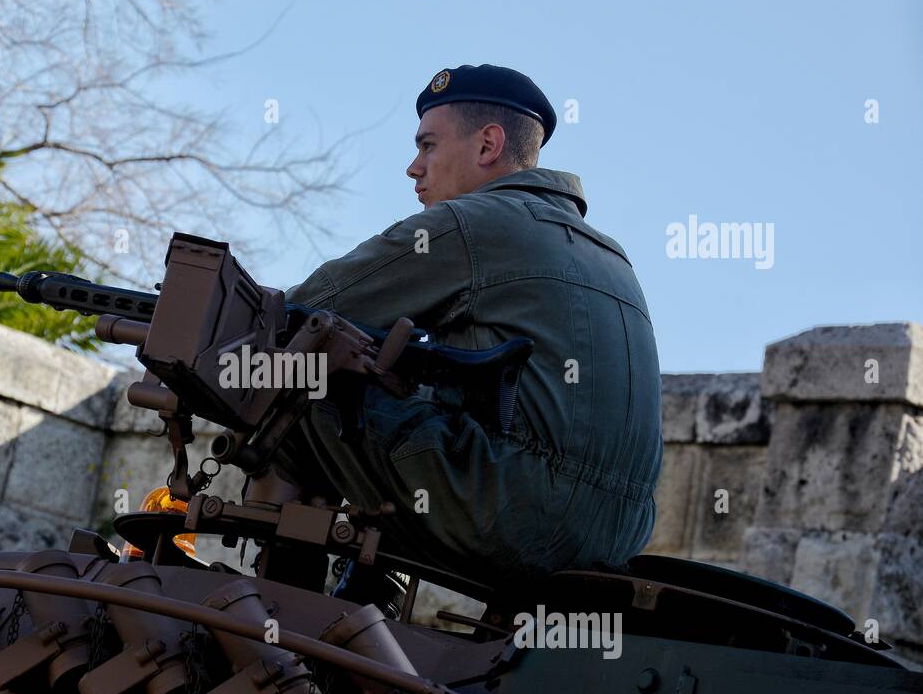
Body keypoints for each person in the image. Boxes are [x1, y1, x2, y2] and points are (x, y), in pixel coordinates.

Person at [271, 63, 663, 588]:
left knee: (297, 387)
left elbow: (300, 313)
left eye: (428, 146)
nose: (414, 167)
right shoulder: (611, 255)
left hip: (514, 510)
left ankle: (277, 628)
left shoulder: (473, 224)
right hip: (618, 535)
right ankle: (355, 605)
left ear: (487, 146)